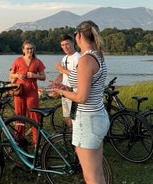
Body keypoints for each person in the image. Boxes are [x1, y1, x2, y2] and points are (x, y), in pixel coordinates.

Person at [51, 20, 110, 183]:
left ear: (78, 36)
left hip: (88, 120)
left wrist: (60, 91)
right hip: (97, 116)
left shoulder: (85, 60)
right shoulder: (98, 57)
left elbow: (82, 98)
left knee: (91, 176)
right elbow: (87, 91)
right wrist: (68, 89)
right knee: (98, 174)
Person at [9, 40, 46, 146]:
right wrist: (18, 76)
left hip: (32, 92)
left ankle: (36, 142)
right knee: (19, 115)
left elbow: (43, 77)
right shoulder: (18, 60)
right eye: (27, 48)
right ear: (23, 50)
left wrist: (34, 76)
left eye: (31, 48)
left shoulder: (37, 61)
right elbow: (11, 75)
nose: (30, 50)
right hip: (20, 91)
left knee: (34, 115)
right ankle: (19, 140)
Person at [53, 35, 80, 129]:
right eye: (62, 45)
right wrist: (55, 83)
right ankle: (71, 137)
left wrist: (62, 69)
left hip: (73, 92)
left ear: (73, 43)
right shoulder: (64, 58)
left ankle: (76, 140)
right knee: (67, 117)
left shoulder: (78, 58)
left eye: (67, 44)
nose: (65, 47)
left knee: (74, 118)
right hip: (64, 91)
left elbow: (78, 76)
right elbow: (62, 74)